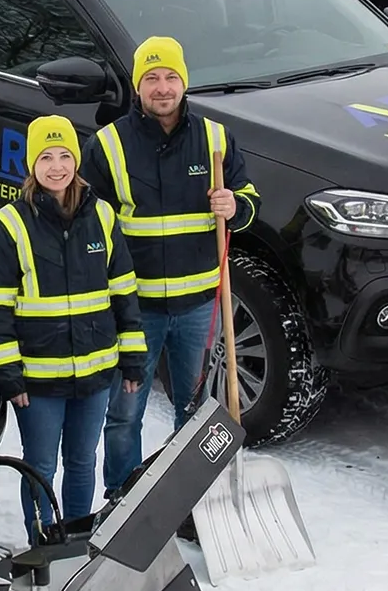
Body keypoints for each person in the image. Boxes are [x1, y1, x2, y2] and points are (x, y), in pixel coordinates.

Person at [81, 36, 259, 497]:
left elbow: (252, 203)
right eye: (152, 78)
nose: (163, 88)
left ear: (184, 82)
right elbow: (88, 225)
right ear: (138, 86)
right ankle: (122, 498)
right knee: (125, 410)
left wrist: (233, 205)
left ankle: (190, 496)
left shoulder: (215, 139)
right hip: (134, 309)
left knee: (196, 409)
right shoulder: (109, 145)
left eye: (171, 77)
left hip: (199, 304)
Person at [0, 116, 145, 540]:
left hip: (94, 376)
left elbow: (123, 291)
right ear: (31, 164)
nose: (57, 166)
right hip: (37, 381)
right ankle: (43, 549)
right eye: (46, 157)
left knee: (83, 461)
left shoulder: (102, 217)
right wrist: (8, 376)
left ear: (77, 161)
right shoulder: (6, 227)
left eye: (65, 155)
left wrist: (133, 358)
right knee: (41, 466)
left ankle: (77, 538)